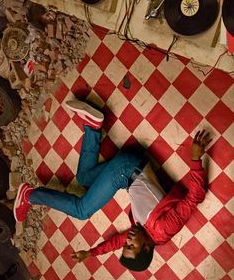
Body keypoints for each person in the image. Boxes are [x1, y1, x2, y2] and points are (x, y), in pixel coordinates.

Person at [14, 99, 211, 271]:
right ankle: (30, 195)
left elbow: (116, 242)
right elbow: (195, 197)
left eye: (127, 245)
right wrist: (195, 159)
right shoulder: (164, 228)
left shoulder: (144, 236)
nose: (128, 240)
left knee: (84, 178)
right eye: (131, 246)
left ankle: (93, 126)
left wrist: (91, 253)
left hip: (127, 173)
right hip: (126, 170)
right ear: (146, 248)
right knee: (81, 211)